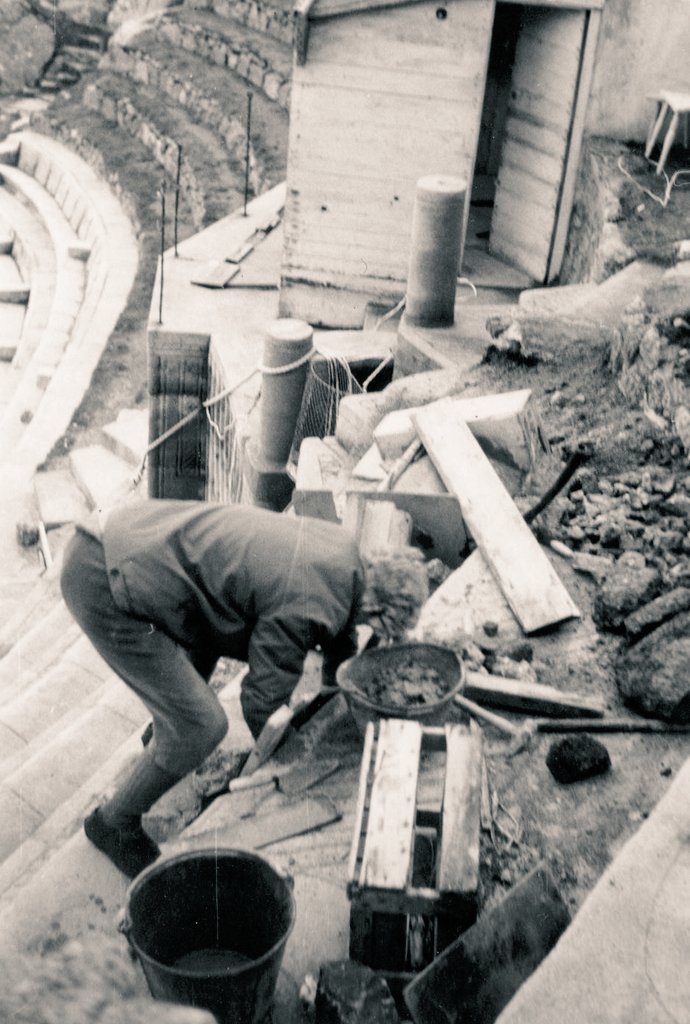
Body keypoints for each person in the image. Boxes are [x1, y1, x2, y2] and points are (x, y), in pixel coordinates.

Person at [60, 498, 367, 878]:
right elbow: (261, 700)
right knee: (202, 727)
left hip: (131, 538)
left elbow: (341, 632)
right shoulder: (309, 601)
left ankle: (163, 734)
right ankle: (114, 823)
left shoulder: (346, 558)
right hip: (104, 578)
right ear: (378, 611)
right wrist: (289, 759)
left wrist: (339, 687)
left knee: (209, 640)